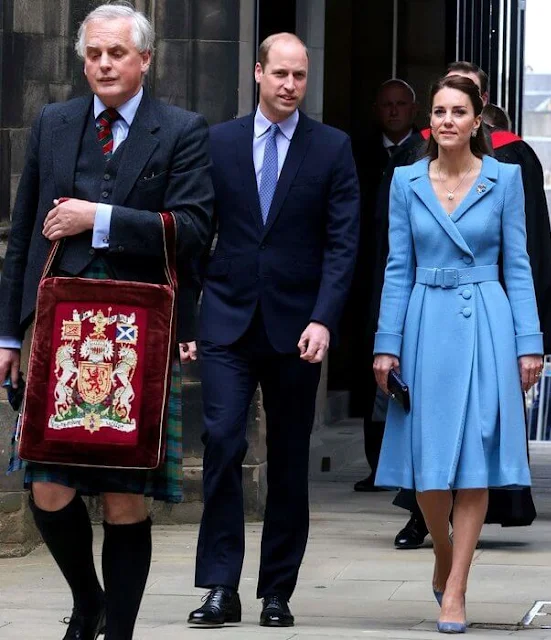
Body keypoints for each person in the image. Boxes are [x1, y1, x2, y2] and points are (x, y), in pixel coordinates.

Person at [0, 4, 213, 639]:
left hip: (139, 336)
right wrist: (9, 334)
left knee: (125, 498)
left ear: (145, 59)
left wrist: (99, 218)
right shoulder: (54, 122)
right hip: (55, 329)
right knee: (48, 489)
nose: (103, 64)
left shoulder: (180, 129)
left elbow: (196, 229)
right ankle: (88, 600)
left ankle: (117, 630)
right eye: (93, 54)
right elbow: (23, 241)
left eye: (116, 53)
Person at [187, 33, 360, 628]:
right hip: (227, 322)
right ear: (258, 72)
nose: (290, 85)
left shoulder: (332, 148)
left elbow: (343, 243)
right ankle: (219, 586)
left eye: (300, 76)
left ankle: (276, 591)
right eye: (280, 73)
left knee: (288, 458)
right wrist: (190, 315)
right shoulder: (219, 142)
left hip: (297, 329)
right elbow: (194, 232)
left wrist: (324, 318)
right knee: (223, 444)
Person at [373, 74, 543, 633]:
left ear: (477, 121)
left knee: (473, 462)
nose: (447, 120)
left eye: (458, 111)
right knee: (427, 470)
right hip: (424, 321)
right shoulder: (405, 181)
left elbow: (517, 265)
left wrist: (529, 345)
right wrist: (385, 345)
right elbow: (397, 268)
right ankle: (442, 549)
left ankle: (458, 588)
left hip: (486, 323)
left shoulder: (505, 178)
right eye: (439, 111)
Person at [351, 79, 419, 492]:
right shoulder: (360, 152)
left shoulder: (423, 154)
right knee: (370, 370)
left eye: (401, 105)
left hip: (413, 277)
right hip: (368, 274)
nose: (394, 111)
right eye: (387, 105)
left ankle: (406, 466)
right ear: (377, 108)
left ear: (414, 109)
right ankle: (376, 464)